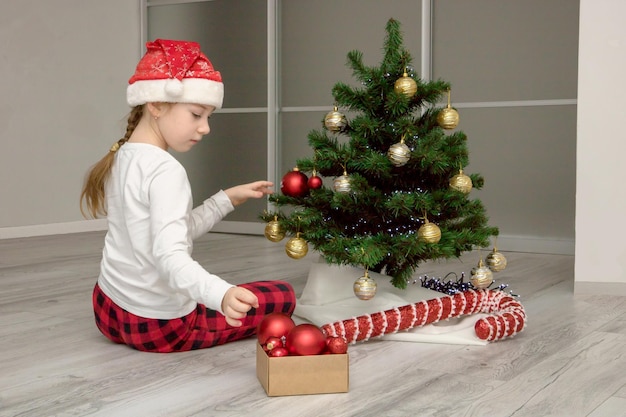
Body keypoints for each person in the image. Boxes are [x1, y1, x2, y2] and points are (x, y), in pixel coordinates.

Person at [80, 39, 296, 353]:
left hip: (108, 309)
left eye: (208, 117)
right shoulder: (166, 171)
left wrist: (225, 200)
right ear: (155, 104)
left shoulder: (123, 156)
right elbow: (170, 255)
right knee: (283, 294)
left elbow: (163, 232)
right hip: (158, 325)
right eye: (196, 114)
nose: (205, 127)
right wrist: (220, 294)